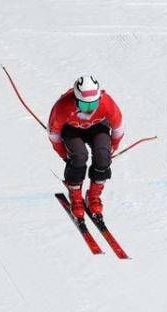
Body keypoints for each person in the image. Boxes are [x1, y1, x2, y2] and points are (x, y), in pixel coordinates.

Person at [47, 75, 124, 219]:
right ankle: (75, 196)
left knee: (102, 157)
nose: (89, 110)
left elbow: (118, 128)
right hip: (72, 129)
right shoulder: (63, 107)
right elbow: (54, 135)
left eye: (93, 104)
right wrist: (64, 154)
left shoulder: (106, 103)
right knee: (79, 156)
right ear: (75, 99)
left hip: (98, 127)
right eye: (84, 105)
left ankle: (93, 196)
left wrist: (112, 148)